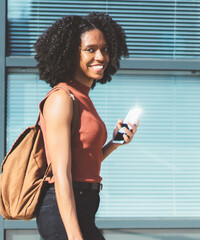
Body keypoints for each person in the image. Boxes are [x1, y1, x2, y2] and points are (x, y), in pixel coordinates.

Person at [34, 12, 139, 240]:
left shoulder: (83, 98)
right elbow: (61, 172)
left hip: (84, 206)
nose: (100, 56)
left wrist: (114, 143)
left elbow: (84, 161)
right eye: (90, 49)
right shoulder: (62, 98)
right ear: (71, 54)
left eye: (105, 49)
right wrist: (74, 235)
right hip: (63, 208)